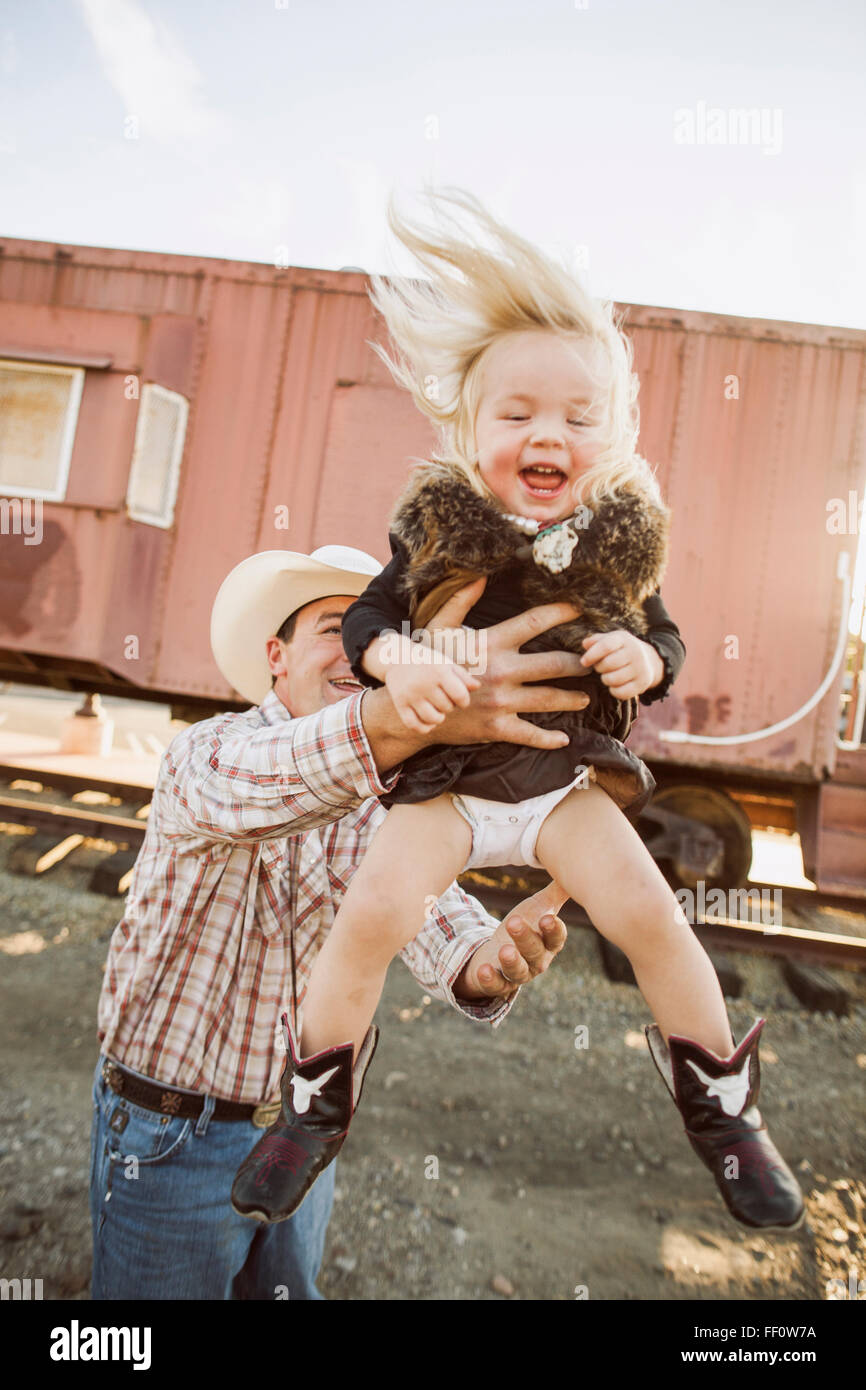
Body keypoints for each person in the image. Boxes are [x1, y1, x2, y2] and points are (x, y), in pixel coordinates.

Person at [231, 188, 804, 1236]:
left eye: (578, 419)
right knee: (365, 922)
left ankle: (721, 1112)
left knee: (654, 924)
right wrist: (401, 657)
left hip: (559, 783)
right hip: (445, 788)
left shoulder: (619, 547)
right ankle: (311, 1107)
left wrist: (642, 657)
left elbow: (663, 640)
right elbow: (365, 623)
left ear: (616, 438)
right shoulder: (435, 533)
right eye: (517, 415)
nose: (549, 434)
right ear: (465, 429)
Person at [90, 541, 591, 1301]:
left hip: (303, 1131)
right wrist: (421, 717)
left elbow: (429, 913)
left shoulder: (380, 806)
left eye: (371, 636)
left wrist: (488, 959)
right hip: (167, 1141)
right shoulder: (208, 754)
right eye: (335, 627)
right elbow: (278, 779)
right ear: (275, 656)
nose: (356, 652)